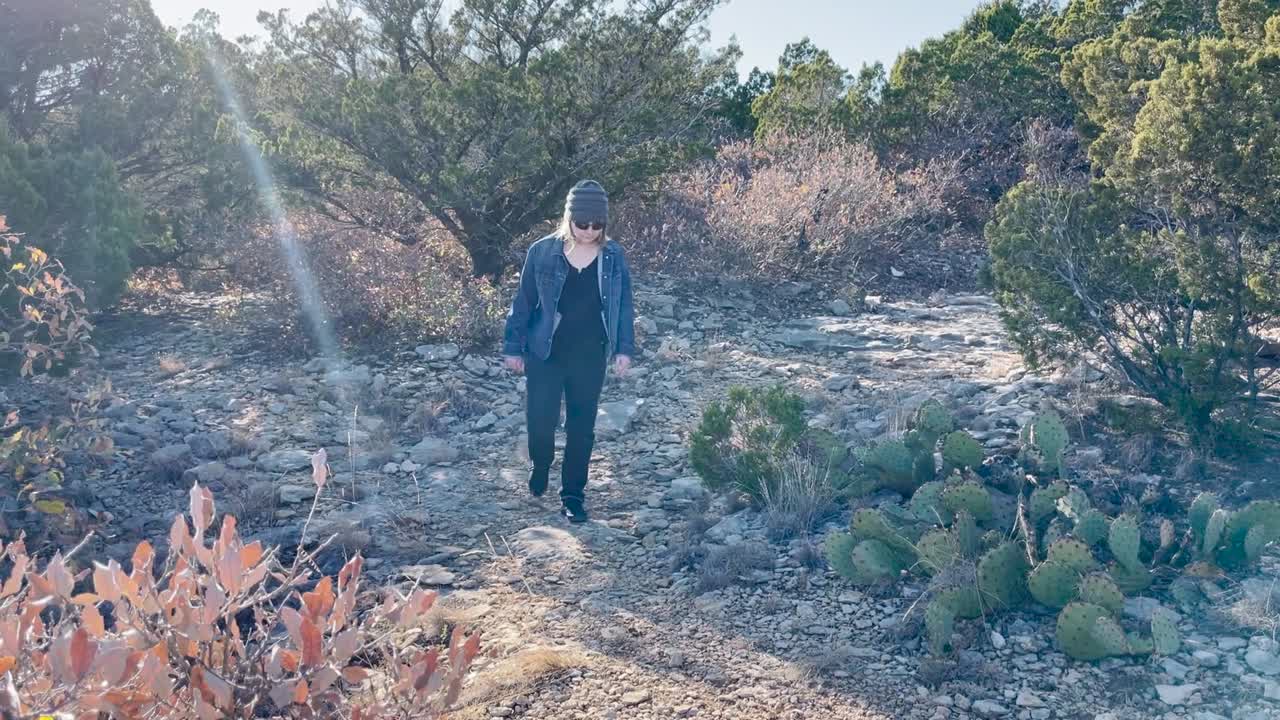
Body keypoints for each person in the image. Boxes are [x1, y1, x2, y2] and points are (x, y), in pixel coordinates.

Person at [501, 179, 636, 523]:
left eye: (597, 225)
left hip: (590, 354)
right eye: (582, 224)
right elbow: (524, 302)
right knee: (541, 420)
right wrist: (512, 347)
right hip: (545, 352)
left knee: (581, 427)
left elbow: (623, 307)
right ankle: (541, 463)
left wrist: (624, 349)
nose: (589, 231)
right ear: (568, 218)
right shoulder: (542, 251)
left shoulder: (614, 256)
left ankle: (573, 495)